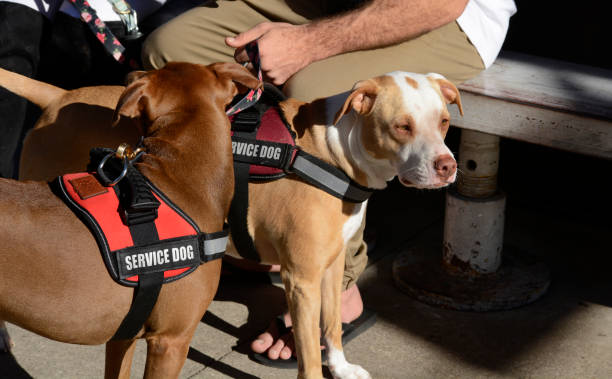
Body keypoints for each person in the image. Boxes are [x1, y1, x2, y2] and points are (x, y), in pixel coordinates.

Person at [141, 0, 517, 364]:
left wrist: (306, 42)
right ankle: (257, 228)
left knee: (313, 94)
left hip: (438, 15)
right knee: (169, 51)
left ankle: (338, 288)